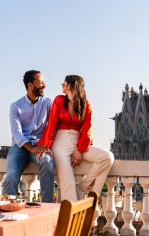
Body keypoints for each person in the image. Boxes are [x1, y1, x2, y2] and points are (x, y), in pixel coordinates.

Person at [38, 75, 114, 205]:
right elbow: (51, 125)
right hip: (60, 145)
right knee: (68, 184)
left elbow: (87, 129)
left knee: (107, 157)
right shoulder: (59, 100)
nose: (62, 84)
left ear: (73, 86)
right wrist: (45, 146)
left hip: (79, 142)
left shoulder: (86, 105)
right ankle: (71, 219)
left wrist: (80, 150)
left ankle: (85, 191)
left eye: (65, 82)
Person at [2, 70, 54, 202]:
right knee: (11, 176)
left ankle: (47, 207)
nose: (44, 85)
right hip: (20, 147)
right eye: (41, 82)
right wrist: (31, 148)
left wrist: (46, 145)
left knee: (47, 163)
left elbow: (53, 126)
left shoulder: (48, 103)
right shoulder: (15, 106)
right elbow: (16, 132)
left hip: (40, 144)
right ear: (30, 85)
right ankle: (8, 209)